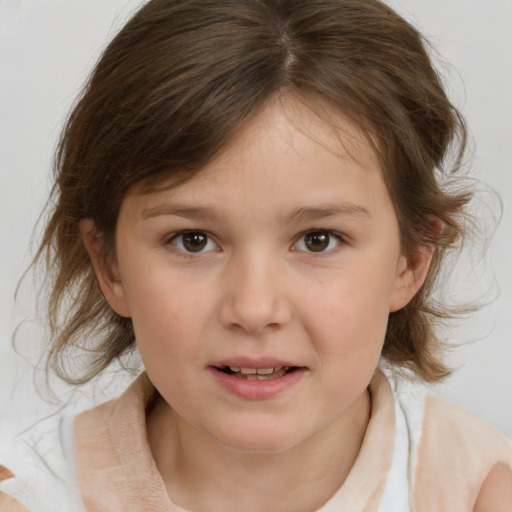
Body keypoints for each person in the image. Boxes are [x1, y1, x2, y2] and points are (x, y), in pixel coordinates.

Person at [1, 0, 511, 510]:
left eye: (318, 239)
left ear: (411, 261)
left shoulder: (480, 490)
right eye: (193, 240)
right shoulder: (29, 495)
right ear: (109, 265)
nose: (254, 308)